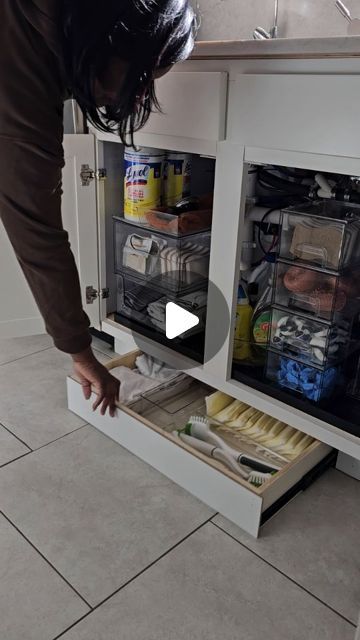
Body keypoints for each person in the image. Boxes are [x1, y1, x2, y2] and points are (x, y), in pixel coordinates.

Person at [0, 0, 197, 417]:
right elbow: (39, 239)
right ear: (112, 38)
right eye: (141, 77)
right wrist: (81, 352)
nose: (137, 95)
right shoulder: (21, 83)